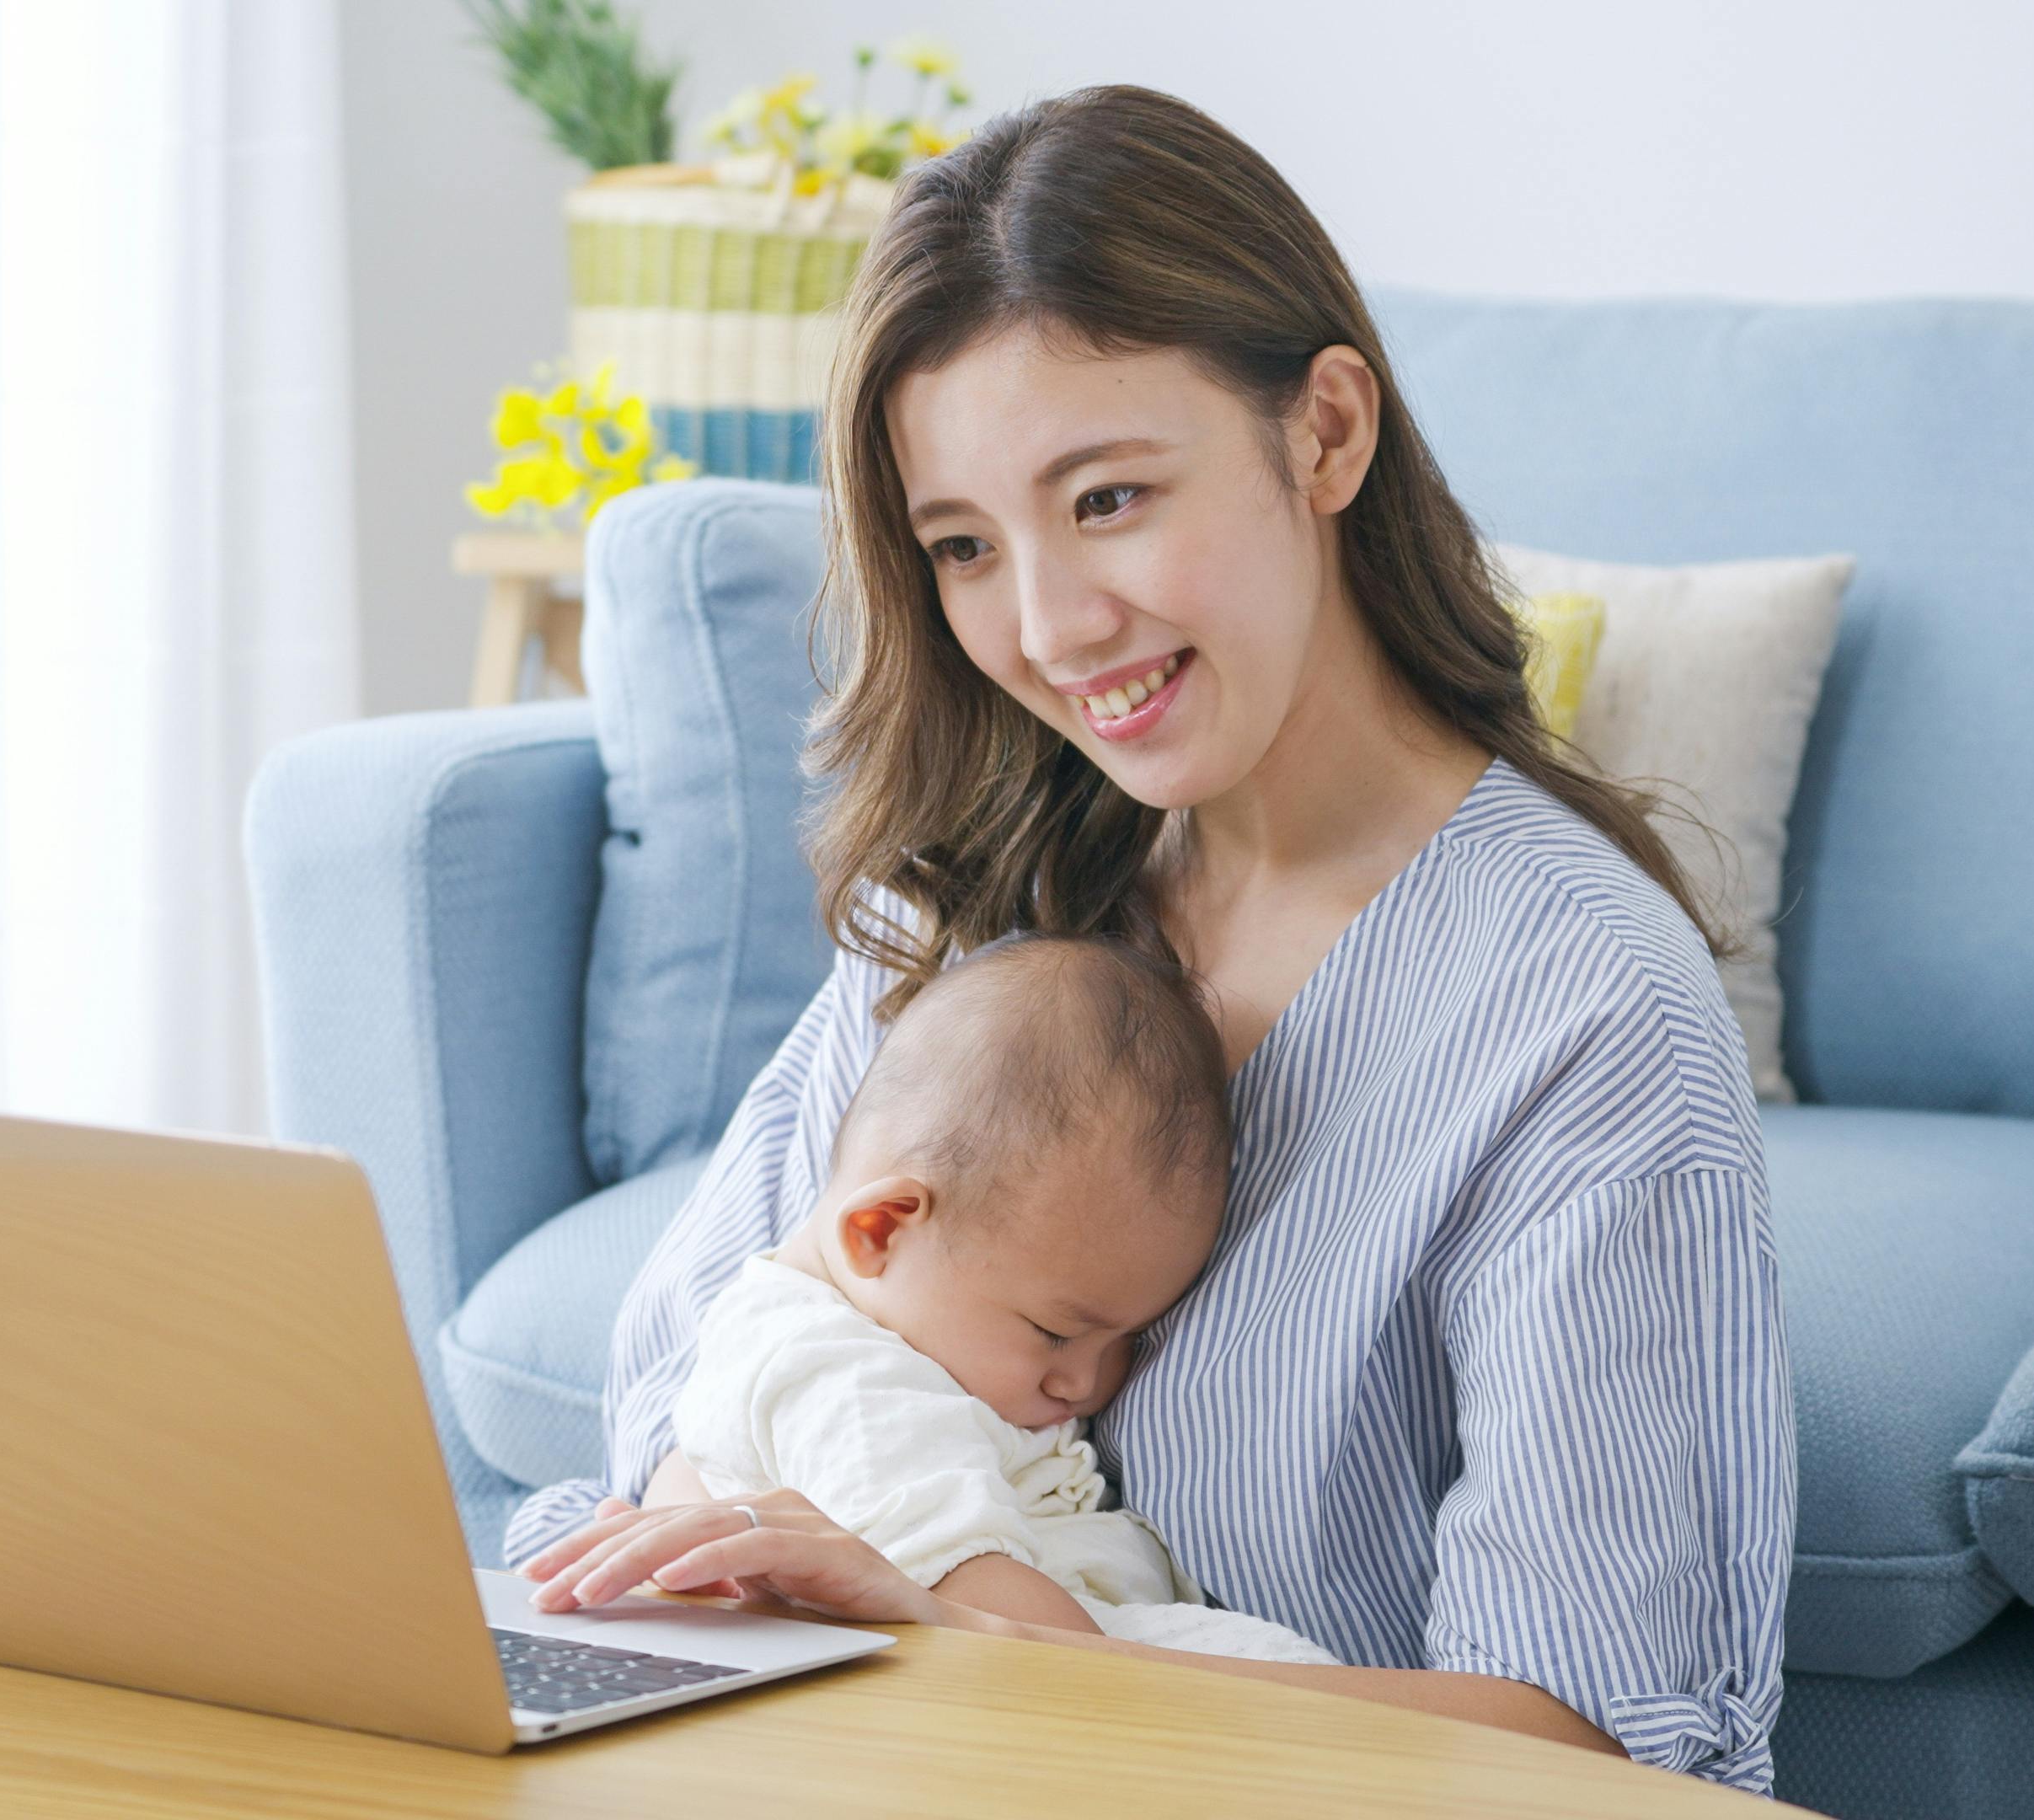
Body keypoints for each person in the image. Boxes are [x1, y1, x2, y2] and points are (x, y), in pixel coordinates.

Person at [506, 83, 1795, 1796]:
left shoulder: (1576, 1008)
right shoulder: (974, 901)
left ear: (1325, 434)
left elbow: (1618, 1742)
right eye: (964, 546)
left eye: (1107, 499)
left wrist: (985, 1655)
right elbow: (685, 1393)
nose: (1046, 628)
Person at [538, 930, 1334, 1666]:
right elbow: (974, 1596)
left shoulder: (890, 1324)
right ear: (880, 1229)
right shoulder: (846, 1378)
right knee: (1277, 1677)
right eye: (1057, 1332)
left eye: (1127, 1339)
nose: (1088, 1384)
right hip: (1039, 1664)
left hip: (1028, 1657)